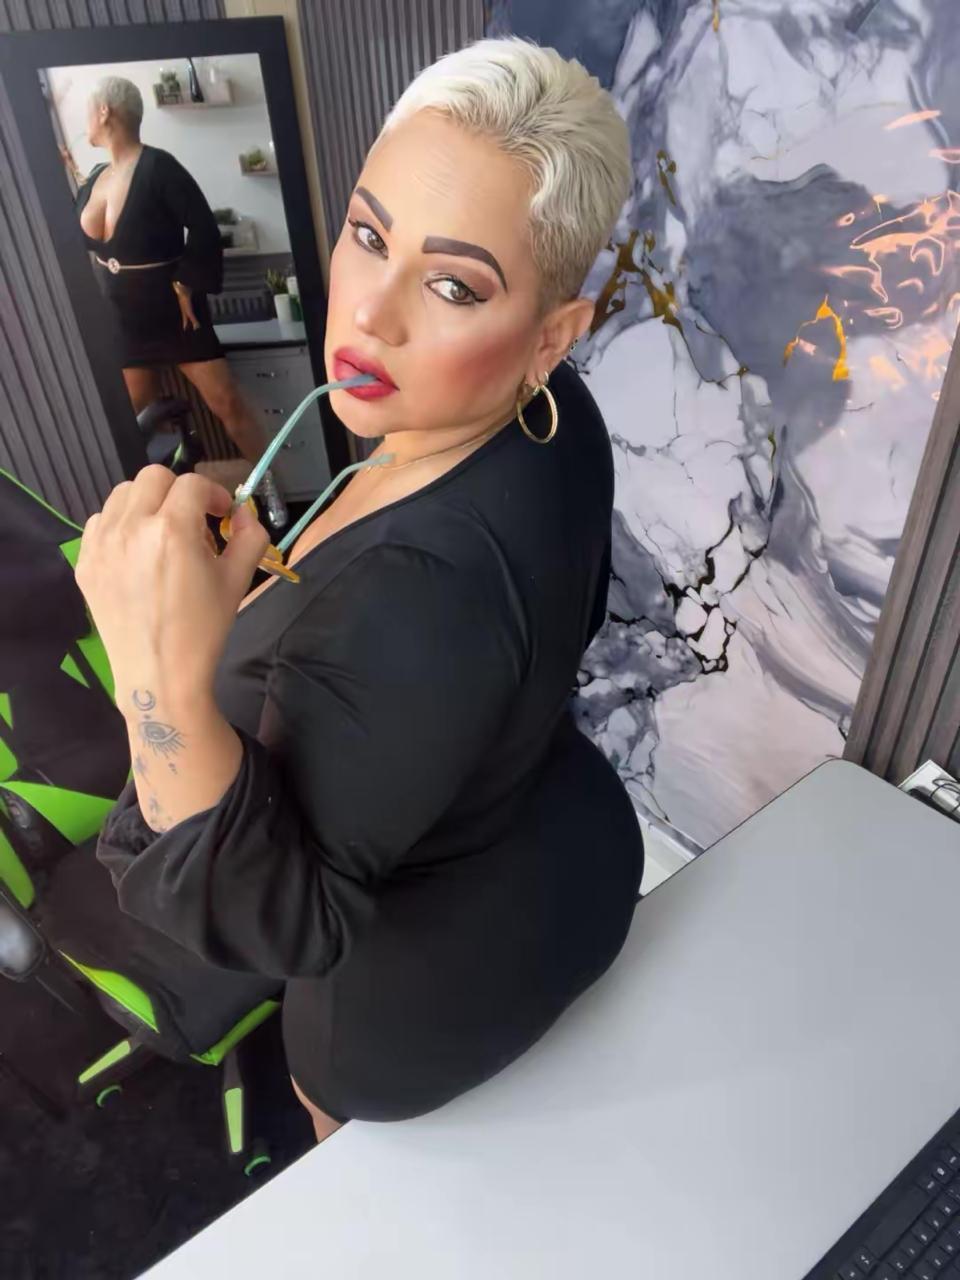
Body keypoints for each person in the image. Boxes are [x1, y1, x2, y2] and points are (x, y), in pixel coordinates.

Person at [78, 38, 644, 1142]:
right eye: (370, 235)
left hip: (398, 1007)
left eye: (452, 284)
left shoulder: (418, 589)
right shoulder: (551, 413)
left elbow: (283, 924)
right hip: (564, 842)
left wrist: (156, 684)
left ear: (551, 336)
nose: (371, 316)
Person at [69, 75, 285, 525]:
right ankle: (142, 509)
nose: (84, 121)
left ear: (105, 111)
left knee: (227, 404)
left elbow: (204, 227)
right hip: (123, 319)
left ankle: (271, 488)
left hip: (176, 313)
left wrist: (187, 285)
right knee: (126, 421)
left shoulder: (160, 167)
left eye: (88, 111)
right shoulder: (95, 178)